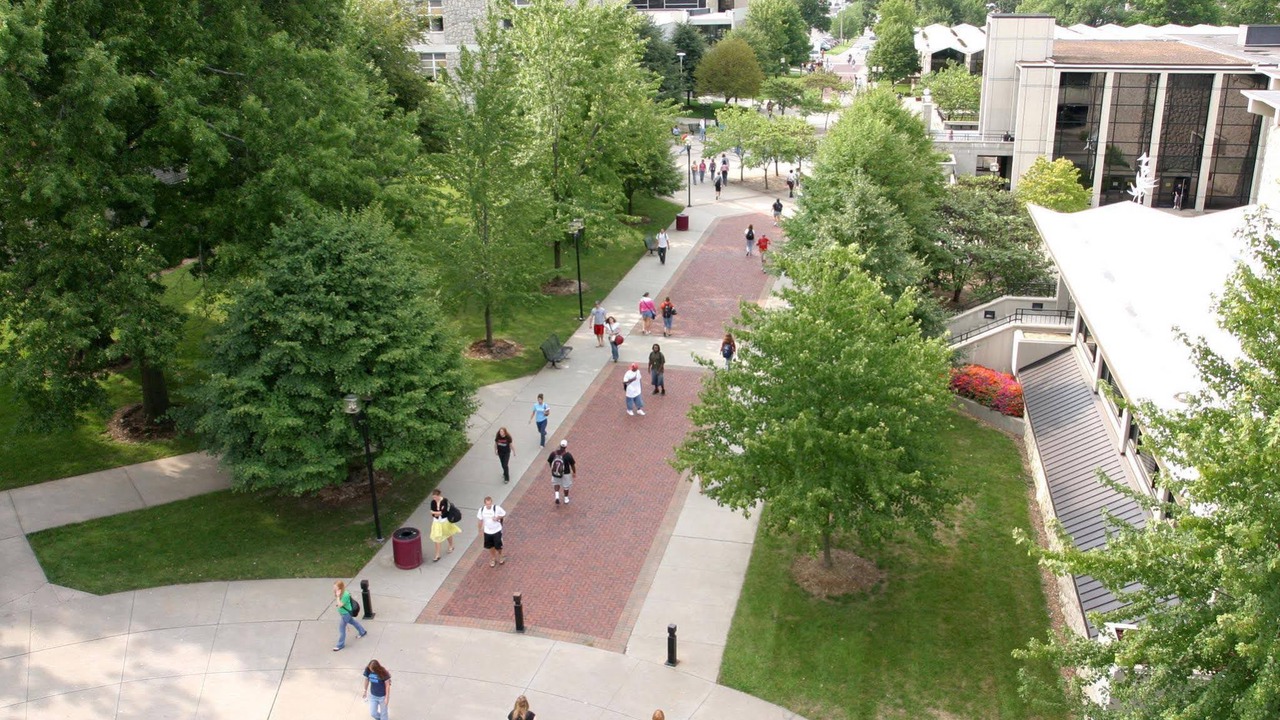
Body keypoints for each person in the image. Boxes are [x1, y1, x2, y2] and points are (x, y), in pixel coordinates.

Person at [332, 580, 366, 651]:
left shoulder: (345, 595)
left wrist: (338, 597)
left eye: (336, 588)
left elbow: (340, 604)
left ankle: (340, 645)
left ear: (340, 588)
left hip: (346, 614)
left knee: (342, 629)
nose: (334, 589)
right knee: (353, 622)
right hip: (345, 613)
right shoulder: (341, 593)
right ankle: (362, 631)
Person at [429, 488, 461, 561]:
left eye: (435, 497)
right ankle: (437, 555)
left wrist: (434, 513)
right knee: (437, 537)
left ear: (439, 495)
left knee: (448, 533)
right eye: (433, 497)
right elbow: (432, 511)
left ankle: (451, 545)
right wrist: (436, 513)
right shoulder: (433, 502)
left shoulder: (444, 501)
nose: (434, 499)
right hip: (436, 522)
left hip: (444, 521)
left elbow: (443, 512)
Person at [477, 496, 506, 567]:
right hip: (487, 531)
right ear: (484, 503)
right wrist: (480, 530)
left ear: (491, 502)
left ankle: (501, 556)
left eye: (490, 504)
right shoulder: (481, 510)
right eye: (487, 504)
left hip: (497, 530)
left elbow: (504, 514)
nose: (489, 505)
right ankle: (493, 558)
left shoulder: (496, 508)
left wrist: (497, 518)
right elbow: (480, 520)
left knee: (498, 546)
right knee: (490, 546)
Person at [547, 439, 576, 505]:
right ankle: (566, 498)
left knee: (556, 483)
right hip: (566, 473)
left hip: (556, 472)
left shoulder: (553, 453)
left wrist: (552, 469)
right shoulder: (568, 455)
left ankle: (557, 496)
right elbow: (572, 464)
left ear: (560, 445)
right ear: (566, 447)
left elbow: (549, 461)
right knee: (566, 486)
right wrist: (574, 472)